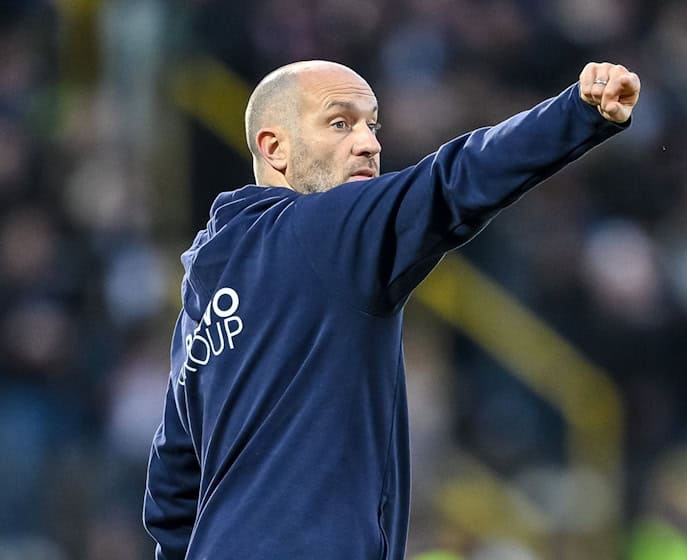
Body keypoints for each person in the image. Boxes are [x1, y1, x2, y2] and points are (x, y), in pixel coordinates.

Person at [142, 59, 640, 559]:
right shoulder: (325, 232)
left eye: (372, 124)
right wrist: (577, 112)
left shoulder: (199, 315)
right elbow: (455, 181)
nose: (369, 143)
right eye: (340, 123)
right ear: (275, 148)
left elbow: (172, 496)